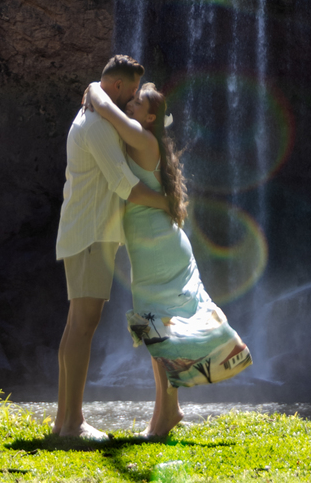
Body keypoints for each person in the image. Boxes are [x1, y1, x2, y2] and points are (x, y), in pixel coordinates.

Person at [85, 76, 252, 439]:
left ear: (148, 118)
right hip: (159, 246)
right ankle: (167, 412)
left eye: (136, 105)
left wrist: (96, 86)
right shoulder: (147, 140)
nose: (129, 106)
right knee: (157, 332)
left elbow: (103, 108)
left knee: (155, 329)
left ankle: (172, 408)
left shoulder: (142, 139)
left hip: (158, 250)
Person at [54, 54, 171, 442]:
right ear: (117, 87)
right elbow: (127, 187)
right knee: (83, 326)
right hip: (91, 235)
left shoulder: (96, 113)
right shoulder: (97, 126)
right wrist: (173, 204)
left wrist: (94, 92)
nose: (134, 99)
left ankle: (65, 420)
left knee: (78, 325)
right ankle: (71, 423)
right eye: (133, 92)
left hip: (90, 233)